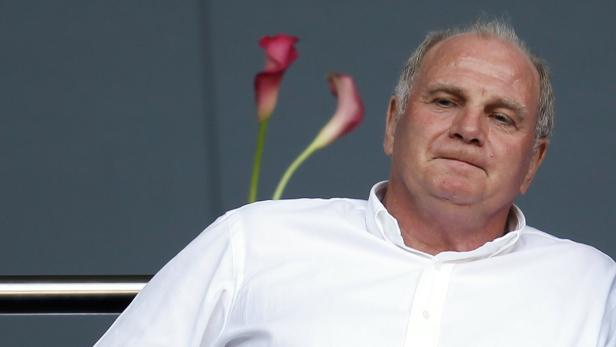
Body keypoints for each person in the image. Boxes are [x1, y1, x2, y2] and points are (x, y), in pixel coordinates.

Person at [95, 19, 616, 347]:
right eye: (445, 101)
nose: (469, 129)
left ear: (533, 162)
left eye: (502, 117)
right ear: (392, 123)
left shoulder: (594, 289)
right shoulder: (255, 243)